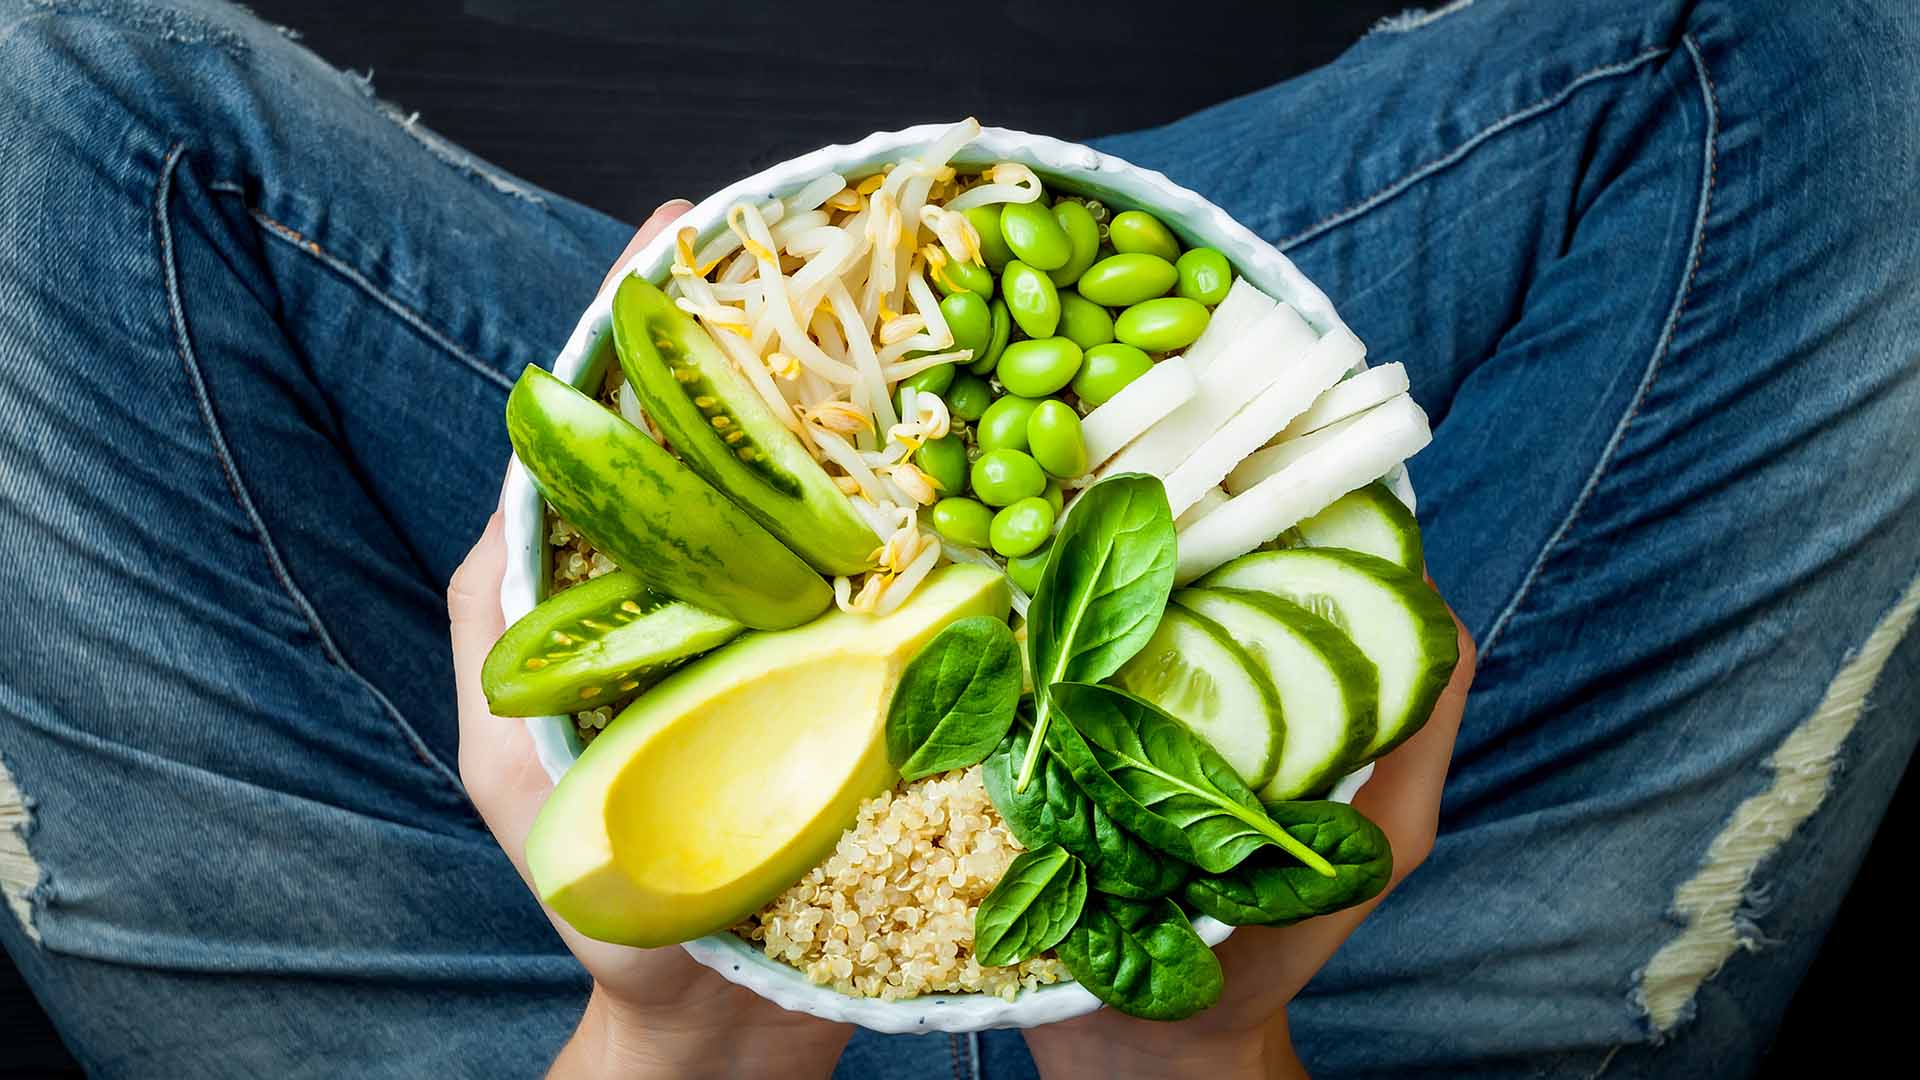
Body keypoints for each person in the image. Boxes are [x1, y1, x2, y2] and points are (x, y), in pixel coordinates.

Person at [1, 0, 1914, 1077]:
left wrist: (673, 1025)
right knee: (1828, 70)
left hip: (520, 1034)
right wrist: (1191, 1040)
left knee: (60, 111)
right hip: (1315, 1022)